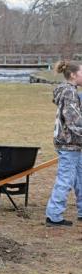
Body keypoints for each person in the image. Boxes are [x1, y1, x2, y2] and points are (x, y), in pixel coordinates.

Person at [46, 60, 82, 227]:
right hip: (69, 143)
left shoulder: (71, 91)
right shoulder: (69, 93)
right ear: (73, 75)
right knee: (65, 179)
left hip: (75, 144)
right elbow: (73, 121)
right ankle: (54, 216)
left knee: (79, 178)